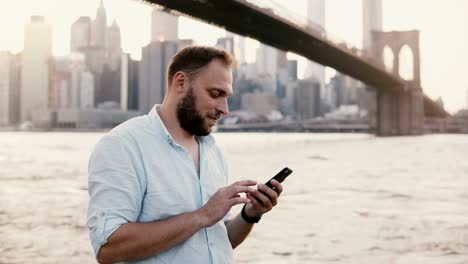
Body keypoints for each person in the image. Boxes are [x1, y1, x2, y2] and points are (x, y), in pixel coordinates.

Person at [87, 45, 284, 264]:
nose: (225, 109)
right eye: (216, 94)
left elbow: (216, 241)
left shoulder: (213, 152)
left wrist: (250, 214)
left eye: (227, 97)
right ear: (181, 83)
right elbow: (108, 248)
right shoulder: (122, 146)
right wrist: (203, 215)